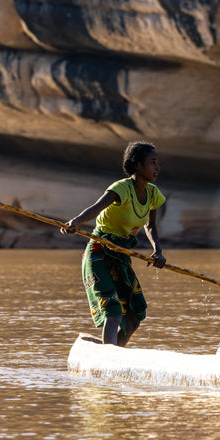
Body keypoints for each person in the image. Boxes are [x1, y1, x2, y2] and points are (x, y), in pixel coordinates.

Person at [62, 141, 166, 347]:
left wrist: (158, 251)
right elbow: (97, 207)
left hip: (121, 254)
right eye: (152, 162)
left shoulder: (153, 194)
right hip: (99, 252)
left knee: (134, 315)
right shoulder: (122, 188)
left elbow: (151, 226)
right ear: (137, 165)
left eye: (157, 163)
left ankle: (115, 353)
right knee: (113, 311)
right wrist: (76, 222)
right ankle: (108, 357)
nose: (157, 167)